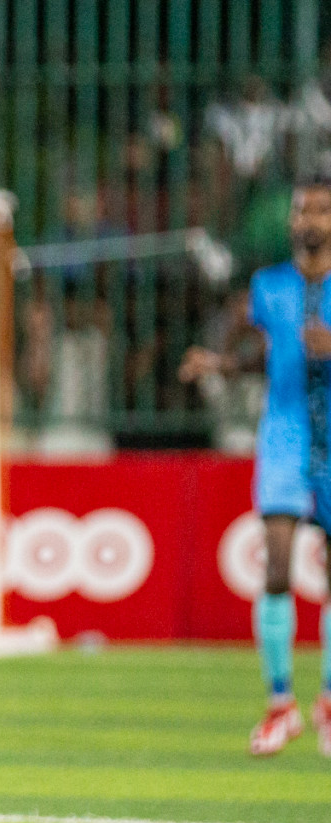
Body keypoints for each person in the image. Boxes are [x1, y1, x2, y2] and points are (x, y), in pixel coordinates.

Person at [180, 177, 331, 757]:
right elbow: (259, 355)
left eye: (320, 209)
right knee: (277, 560)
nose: (308, 219)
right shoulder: (269, 287)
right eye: (302, 209)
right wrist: (219, 360)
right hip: (287, 435)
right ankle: (280, 704)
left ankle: (327, 703)